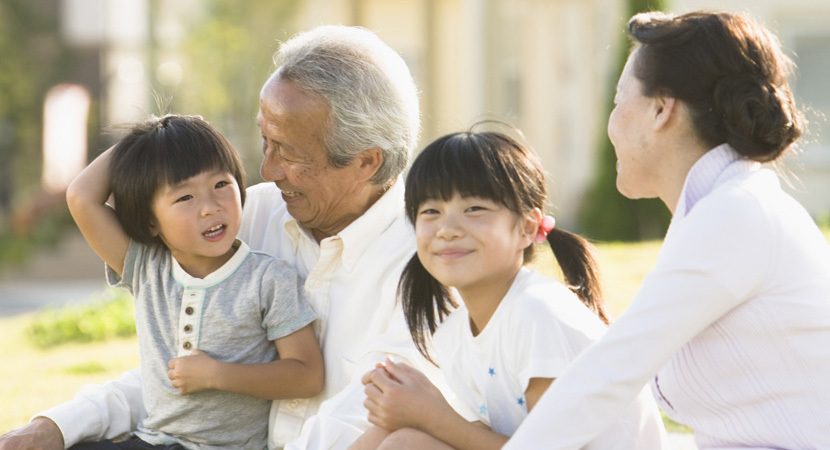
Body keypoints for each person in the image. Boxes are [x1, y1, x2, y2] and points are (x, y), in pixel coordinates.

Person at [0, 25, 429, 450]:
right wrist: (56, 425)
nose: (269, 171)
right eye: (265, 141)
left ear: (366, 162)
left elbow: (362, 424)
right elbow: (174, 376)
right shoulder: (243, 218)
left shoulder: (428, 265)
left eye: (290, 152)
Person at [503, 10, 830, 449]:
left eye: (619, 101)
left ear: (661, 109)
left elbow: (610, 373)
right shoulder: (721, 208)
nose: (611, 124)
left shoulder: (735, 215)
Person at [348, 129, 667, 450]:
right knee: (392, 434)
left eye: (474, 209)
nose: (447, 229)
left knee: (407, 444)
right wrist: (416, 413)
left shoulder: (536, 313)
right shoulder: (455, 334)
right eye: (431, 211)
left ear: (528, 227)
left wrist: (433, 416)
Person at [65, 114, 323, 449]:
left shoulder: (269, 280)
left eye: (221, 185)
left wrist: (217, 374)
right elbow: (81, 197)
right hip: (151, 440)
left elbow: (307, 374)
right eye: (185, 198)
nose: (210, 208)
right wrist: (152, 138)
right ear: (151, 221)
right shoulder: (146, 268)